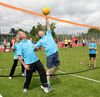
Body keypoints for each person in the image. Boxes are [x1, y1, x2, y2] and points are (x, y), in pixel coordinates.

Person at [35, 18, 60, 85]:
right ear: (39, 35)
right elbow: (35, 47)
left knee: (57, 67)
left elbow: (48, 27)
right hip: (49, 55)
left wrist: (47, 20)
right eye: (39, 32)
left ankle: (51, 75)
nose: (41, 32)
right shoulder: (40, 41)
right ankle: (47, 83)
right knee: (48, 69)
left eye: (41, 31)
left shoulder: (48, 34)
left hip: (56, 53)